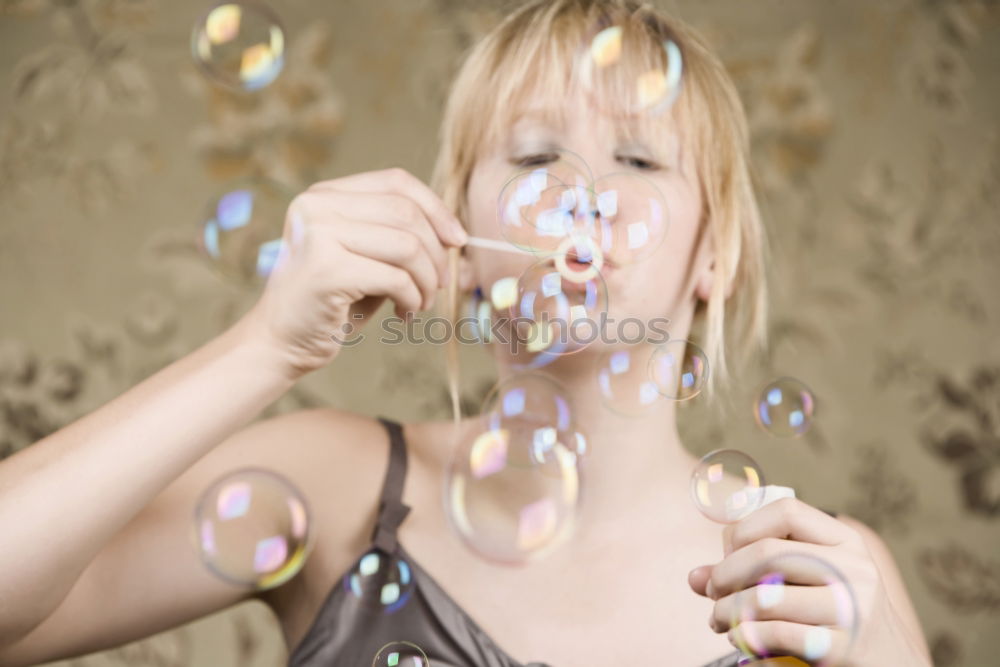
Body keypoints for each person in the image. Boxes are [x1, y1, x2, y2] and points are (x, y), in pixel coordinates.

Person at [0, 1, 932, 665]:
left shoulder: (810, 567)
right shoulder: (338, 489)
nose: (583, 194)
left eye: (639, 157)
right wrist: (267, 345)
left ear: (712, 256)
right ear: (461, 235)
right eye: (534, 155)